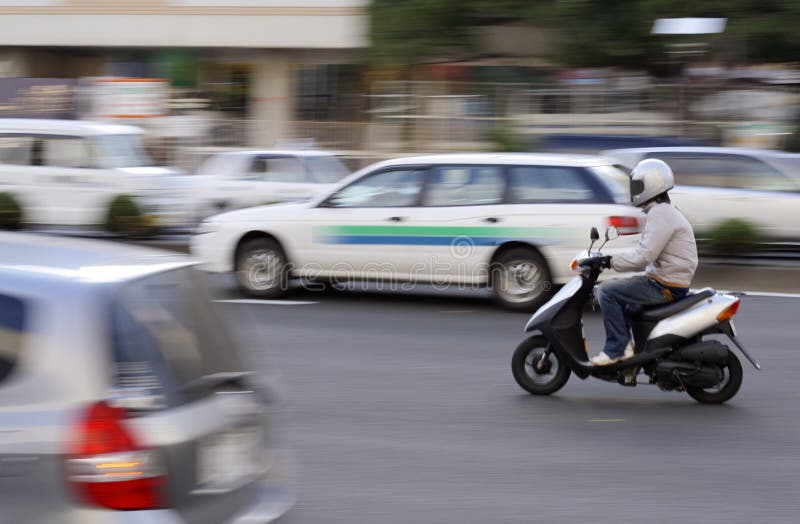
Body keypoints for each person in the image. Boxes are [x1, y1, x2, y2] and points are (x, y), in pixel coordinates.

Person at [591, 158, 698, 366]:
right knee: (624, 295)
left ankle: (617, 349)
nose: (633, 191)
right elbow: (644, 250)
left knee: (606, 291)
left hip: (665, 285)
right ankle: (630, 348)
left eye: (637, 186)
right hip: (667, 280)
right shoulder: (662, 211)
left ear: (651, 185)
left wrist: (609, 262)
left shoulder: (660, 213)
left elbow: (643, 256)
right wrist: (611, 258)